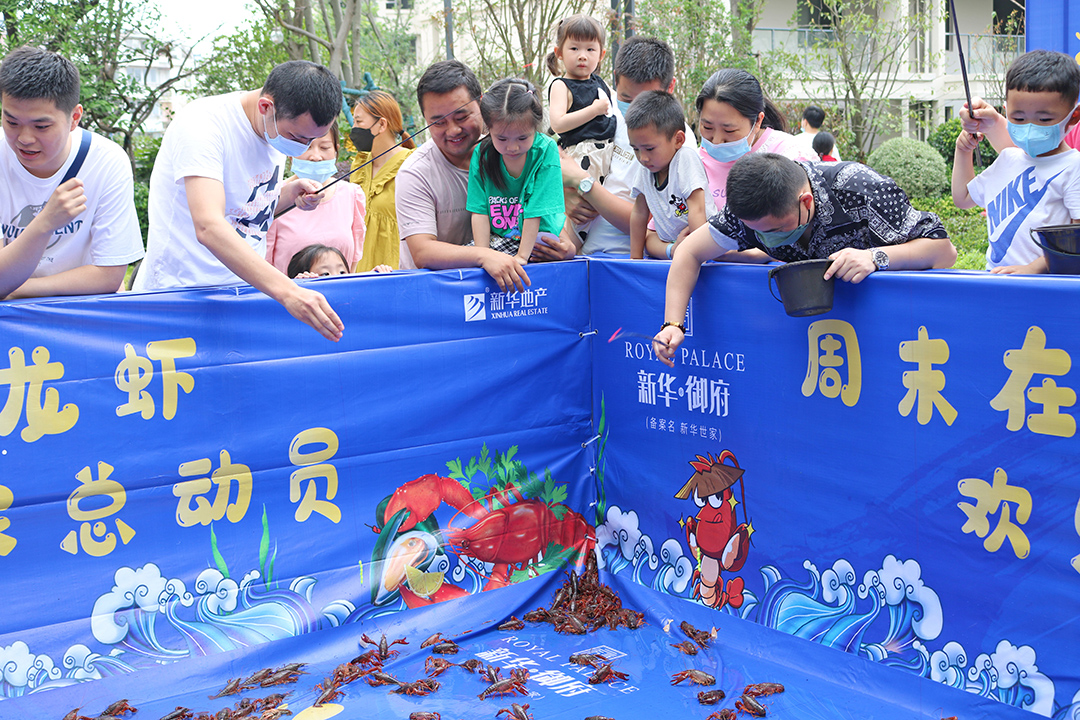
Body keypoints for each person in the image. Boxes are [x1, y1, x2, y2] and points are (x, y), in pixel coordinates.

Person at [653, 152, 957, 365]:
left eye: (776, 230)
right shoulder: (745, 213)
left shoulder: (857, 188)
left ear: (806, 201)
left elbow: (944, 252)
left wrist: (875, 257)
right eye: (757, 232)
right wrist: (673, 324)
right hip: (820, 345)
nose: (767, 239)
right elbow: (689, 252)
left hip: (899, 337)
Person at [133, 60, 345, 342]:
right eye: (298, 137)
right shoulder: (203, 125)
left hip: (241, 297)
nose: (304, 148)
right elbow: (209, 225)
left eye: (313, 139)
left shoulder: (273, 129)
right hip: (180, 298)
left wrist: (288, 195)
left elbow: (245, 211)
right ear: (266, 107)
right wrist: (288, 291)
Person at [397, 60, 575, 293]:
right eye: (438, 122)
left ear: (482, 106)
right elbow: (422, 252)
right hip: (439, 292)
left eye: (461, 117)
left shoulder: (522, 149)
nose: (453, 130)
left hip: (501, 279)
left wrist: (565, 245)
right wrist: (484, 256)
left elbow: (538, 208)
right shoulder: (415, 173)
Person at [0, 46, 143, 300]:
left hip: (79, 309)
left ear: (74, 117)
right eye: (12, 122)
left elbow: (109, 274)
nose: (24, 138)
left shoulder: (106, 161)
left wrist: (15, 291)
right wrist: (45, 223)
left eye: (41, 126)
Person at [952, 50, 1080, 274]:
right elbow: (963, 198)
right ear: (1006, 110)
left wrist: (1033, 269)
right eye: (1018, 118)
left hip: (1046, 285)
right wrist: (963, 150)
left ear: (1074, 116)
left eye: (1044, 119)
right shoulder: (1008, 158)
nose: (1030, 126)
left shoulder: (1074, 167)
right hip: (997, 279)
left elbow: (1077, 237)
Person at [559, 36, 683, 256]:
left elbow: (651, 222)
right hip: (577, 255)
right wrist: (565, 193)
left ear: (670, 87)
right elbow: (558, 158)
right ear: (615, 79)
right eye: (626, 98)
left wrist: (584, 185)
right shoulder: (596, 109)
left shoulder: (677, 139)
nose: (635, 109)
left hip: (623, 259)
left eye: (645, 100)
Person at [468, 78, 574, 264]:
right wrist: (484, 256)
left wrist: (522, 257)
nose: (512, 147)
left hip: (538, 241)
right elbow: (480, 211)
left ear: (535, 127)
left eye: (522, 138)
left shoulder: (545, 150)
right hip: (498, 239)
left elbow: (535, 211)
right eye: (501, 139)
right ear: (489, 128)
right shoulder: (482, 153)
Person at [695, 69, 816, 211]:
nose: (716, 141)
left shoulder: (792, 156)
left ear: (758, 121)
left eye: (729, 131)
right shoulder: (694, 160)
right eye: (707, 127)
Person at [546, 13, 616, 238]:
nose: (582, 56)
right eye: (574, 48)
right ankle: (564, 243)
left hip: (607, 153)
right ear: (559, 52)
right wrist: (593, 110)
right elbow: (558, 123)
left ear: (601, 54)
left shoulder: (600, 83)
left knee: (596, 211)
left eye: (590, 49)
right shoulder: (561, 86)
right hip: (581, 153)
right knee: (580, 212)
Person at [265, 125, 367, 274]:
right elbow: (262, 261)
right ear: (291, 152)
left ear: (336, 150)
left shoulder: (351, 194)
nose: (316, 156)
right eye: (307, 147)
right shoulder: (273, 197)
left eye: (325, 147)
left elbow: (354, 259)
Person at [625, 91, 715, 259]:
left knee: (728, 253)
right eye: (635, 149)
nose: (643, 157)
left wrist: (697, 256)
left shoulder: (685, 159)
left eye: (650, 148)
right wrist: (635, 260)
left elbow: (697, 208)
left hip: (704, 239)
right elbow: (639, 213)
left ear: (678, 140)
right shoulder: (646, 168)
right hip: (672, 243)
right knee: (650, 244)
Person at [349, 90, 415, 271]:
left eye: (359, 122)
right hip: (357, 275)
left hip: (394, 274)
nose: (353, 128)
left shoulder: (412, 166)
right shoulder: (359, 164)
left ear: (382, 124)